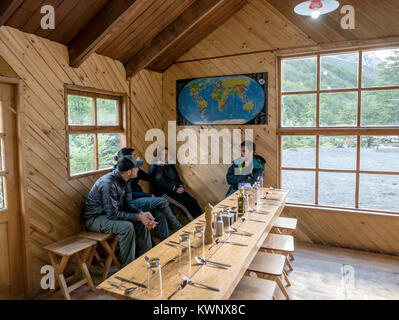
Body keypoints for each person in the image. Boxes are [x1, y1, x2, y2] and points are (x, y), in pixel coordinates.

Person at [81, 155, 156, 267]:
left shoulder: (126, 180)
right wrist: (138, 217)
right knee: (127, 226)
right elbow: (113, 214)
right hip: (94, 219)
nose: (138, 169)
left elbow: (129, 204)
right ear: (129, 172)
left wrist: (142, 214)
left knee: (141, 220)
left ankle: (146, 260)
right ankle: (128, 267)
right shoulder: (108, 183)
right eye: (136, 167)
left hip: (108, 215)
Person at [115, 147, 182, 241]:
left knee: (160, 214)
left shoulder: (134, 168)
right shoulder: (121, 173)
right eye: (134, 156)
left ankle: (165, 241)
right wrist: (148, 195)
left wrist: (155, 165)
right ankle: (177, 227)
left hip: (140, 197)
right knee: (162, 201)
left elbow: (150, 177)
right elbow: (128, 195)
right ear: (127, 159)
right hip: (131, 201)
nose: (137, 158)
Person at [152, 148, 203, 220]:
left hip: (176, 189)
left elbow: (177, 178)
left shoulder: (171, 164)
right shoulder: (158, 167)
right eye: (164, 155)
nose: (167, 156)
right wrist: (175, 189)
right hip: (164, 192)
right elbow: (160, 182)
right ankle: (196, 222)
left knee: (192, 201)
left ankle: (204, 219)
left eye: (168, 154)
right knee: (185, 204)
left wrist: (181, 186)